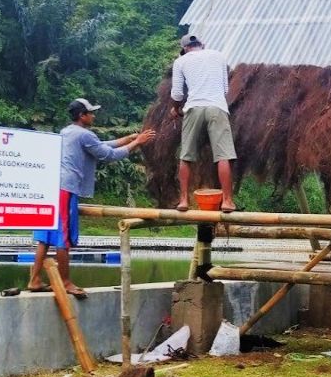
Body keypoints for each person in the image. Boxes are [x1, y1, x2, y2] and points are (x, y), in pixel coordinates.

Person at [27, 98, 155, 299]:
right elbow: (108, 155)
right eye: (91, 113)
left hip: (51, 186)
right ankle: (66, 282)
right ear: (82, 115)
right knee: (64, 238)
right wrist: (138, 142)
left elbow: (101, 145)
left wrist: (128, 139)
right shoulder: (84, 134)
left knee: (45, 237)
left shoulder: (67, 131)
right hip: (65, 188)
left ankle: (34, 280)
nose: (94, 116)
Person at [171, 33, 237, 212]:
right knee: (223, 155)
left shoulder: (181, 61)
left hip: (193, 107)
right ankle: (227, 201)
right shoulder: (219, 56)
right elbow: (225, 88)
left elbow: (177, 94)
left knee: (186, 155)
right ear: (203, 44)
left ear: (185, 49)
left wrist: (176, 109)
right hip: (217, 106)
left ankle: (183, 200)